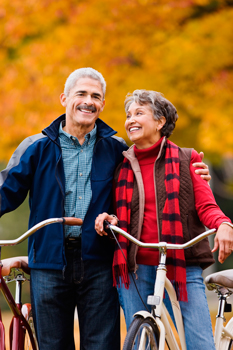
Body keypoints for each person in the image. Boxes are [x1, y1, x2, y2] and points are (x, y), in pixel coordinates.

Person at [0, 69, 210, 350]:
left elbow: (153, 175)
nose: (89, 101)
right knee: (51, 344)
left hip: (99, 260)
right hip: (50, 261)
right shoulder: (35, 147)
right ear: (65, 98)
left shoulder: (117, 149)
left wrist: (193, 171)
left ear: (102, 105)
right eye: (81, 94)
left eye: (96, 96)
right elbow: (5, 193)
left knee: (102, 344)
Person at [95, 89, 233, 350]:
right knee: (140, 343)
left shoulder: (186, 159)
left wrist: (223, 224)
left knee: (200, 343)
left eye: (139, 113)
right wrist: (107, 218)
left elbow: (205, 205)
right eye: (128, 115)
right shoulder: (120, 165)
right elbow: (116, 211)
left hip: (182, 266)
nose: (130, 120)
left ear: (160, 122)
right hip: (133, 268)